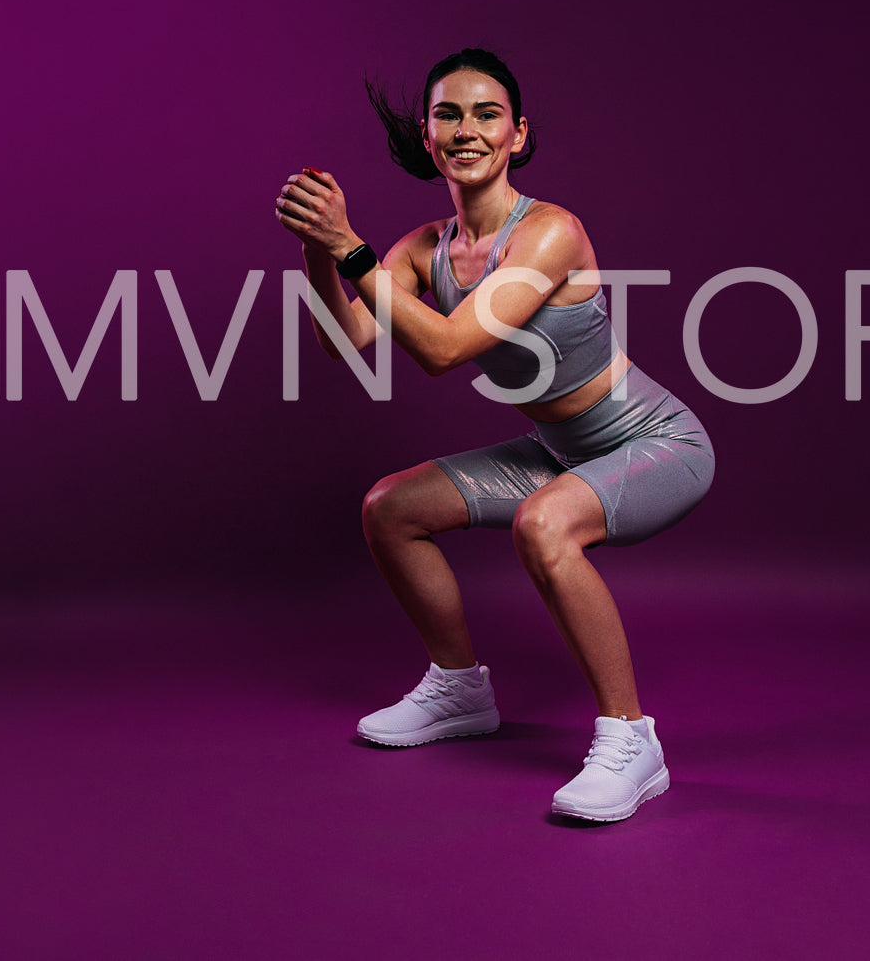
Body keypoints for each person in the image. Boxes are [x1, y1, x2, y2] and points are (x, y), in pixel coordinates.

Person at [274, 47, 714, 822]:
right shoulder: (422, 249)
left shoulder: (547, 234)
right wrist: (319, 251)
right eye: (449, 113)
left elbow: (443, 349)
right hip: (556, 453)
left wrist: (349, 248)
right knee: (390, 508)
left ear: (517, 135)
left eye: (487, 114)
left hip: (654, 445)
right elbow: (342, 343)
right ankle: (458, 690)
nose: (467, 129)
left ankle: (631, 741)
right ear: (427, 134)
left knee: (542, 524)